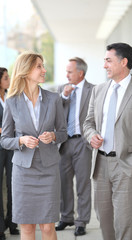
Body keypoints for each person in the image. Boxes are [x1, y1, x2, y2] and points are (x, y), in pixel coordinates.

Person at [83, 42, 132, 240]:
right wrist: (92, 136)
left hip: (126, 163)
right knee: (104, 219)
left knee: (124, 222)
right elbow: (88, 123)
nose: (104, 65)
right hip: (100, 165)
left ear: (123, 62)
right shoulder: (99, 90)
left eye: (108, 60)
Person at [1, 51, 68, 240]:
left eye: (42, 65)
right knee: (27, 227)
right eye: (39, 66)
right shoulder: (12, 102)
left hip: (48, 170)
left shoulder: (53, 99)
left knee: (48, 227)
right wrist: (21, 140)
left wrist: (53, 135)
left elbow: (63, 133)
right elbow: (5, 139)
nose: (43, 70)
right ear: (26, 70)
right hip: (23, 173)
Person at [56, 57, 94, 236]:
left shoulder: (93, 90)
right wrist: (64, 96)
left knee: (83, 184)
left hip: (83, 142)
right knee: (64, 182)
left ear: (81, 73)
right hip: (64, 142)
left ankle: (82, 221)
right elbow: (54, 110)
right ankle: (66, 217)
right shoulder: (61, 90)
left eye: (70, 72)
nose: (66, 75)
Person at [0, 68, 19, 240]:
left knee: (13, 185)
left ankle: (12, 223)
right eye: (6, 78)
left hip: (11, 147)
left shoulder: (10, 97)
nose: (9, 80)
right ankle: (0, 229)